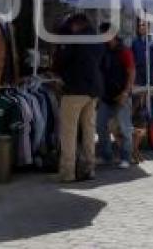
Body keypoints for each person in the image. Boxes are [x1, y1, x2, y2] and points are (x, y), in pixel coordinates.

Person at [53, 13, 104, 182]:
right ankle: (89, 169)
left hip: (74, 90)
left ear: (77, 25)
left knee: (69, 132)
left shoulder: (74, 39)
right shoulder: (97, 40)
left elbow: (62, 61)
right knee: (89, 131)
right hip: (93, 91)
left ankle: (68, 172)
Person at [97, 27, 136, 168]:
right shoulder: (102, 50)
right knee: (100, 126)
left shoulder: (124, 51)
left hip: (121, 95)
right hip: (105, 96)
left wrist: (126, 92)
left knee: (124, 128)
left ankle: (126, 157)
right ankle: (106, 156)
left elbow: (131, 72)